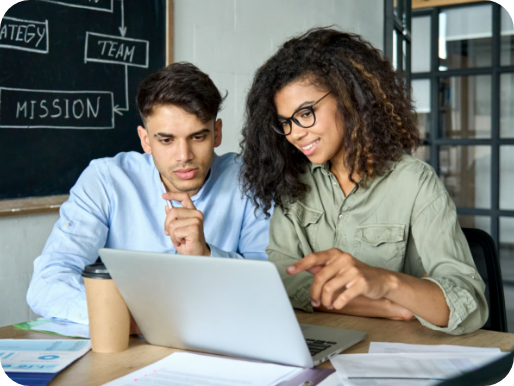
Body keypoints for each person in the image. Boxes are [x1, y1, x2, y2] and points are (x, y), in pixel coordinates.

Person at [239, 28, 488, 335]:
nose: (295, 133)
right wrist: (387, 305)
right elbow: (281, 281)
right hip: (320, 344)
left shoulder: (414, 183)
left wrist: (385, 282)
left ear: (348, 98)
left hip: (401, 354)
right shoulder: (293, 182)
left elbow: (469, 305)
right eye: (285, 123)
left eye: (305, 113)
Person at [27, 62, 271, 325]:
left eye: (198, 137)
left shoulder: (248, 179)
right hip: (130, 340)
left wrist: (206, 256)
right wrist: (128, 317)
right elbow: (48, 280)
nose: (184, 156)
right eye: (166, 140)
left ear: (217, 132)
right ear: (145, 140)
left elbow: (268, 284)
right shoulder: (106, 180)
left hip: (223, 334)